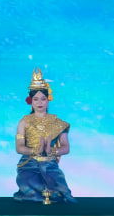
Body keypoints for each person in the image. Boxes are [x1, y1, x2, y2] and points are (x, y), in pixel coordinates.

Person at [14, 68, 75, 203]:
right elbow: (19, 147)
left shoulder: (58, 123)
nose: (39, 102)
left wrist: (51, 151)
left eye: (43, 99)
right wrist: (35, 150)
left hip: (49, 165)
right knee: (31, 187)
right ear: (31, 101)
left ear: (48, 100)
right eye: (36, 99)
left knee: (57, 191)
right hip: (29, 164)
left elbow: (66, 147)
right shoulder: (24, 122)